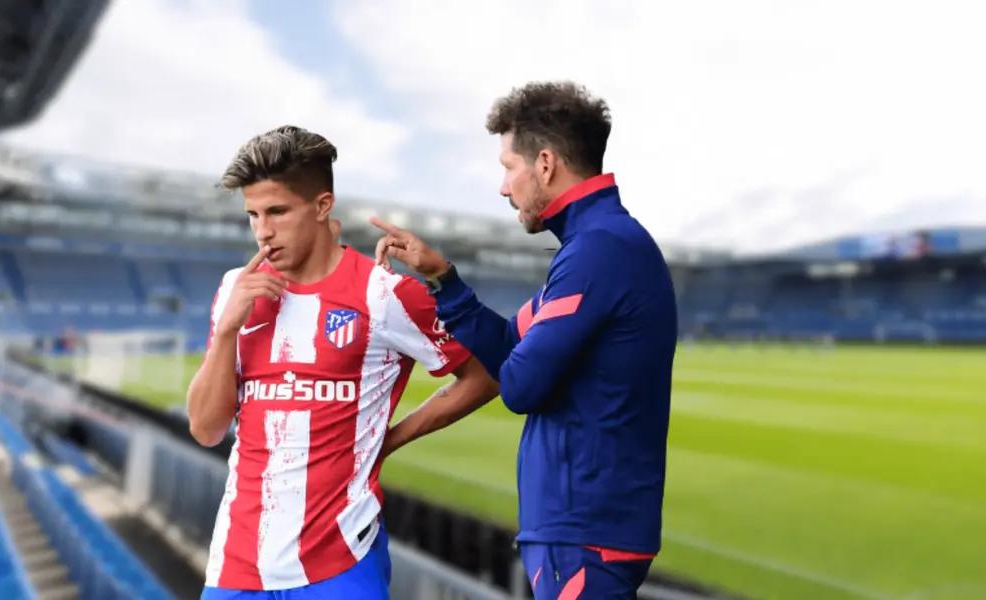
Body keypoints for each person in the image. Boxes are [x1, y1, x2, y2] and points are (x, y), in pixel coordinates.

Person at [371, 81, 677, 599]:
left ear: (545, 163)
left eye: (508, 167)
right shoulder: (594, 246)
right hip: (582, 531)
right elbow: (511, 341)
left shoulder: (599, 251)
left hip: (585, 533)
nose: (503, 186)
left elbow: (519, 385)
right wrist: (444, 278)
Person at [187, 125, 498, 599]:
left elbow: (485, 374)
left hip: (340, 565)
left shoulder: (384, 294)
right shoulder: (236, 290)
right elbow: (206, 430)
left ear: (322, 206)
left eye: (277, 212)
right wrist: (227, 329)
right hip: (235, 567)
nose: (263, 231)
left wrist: (390, 440)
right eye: (252, 215)